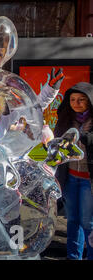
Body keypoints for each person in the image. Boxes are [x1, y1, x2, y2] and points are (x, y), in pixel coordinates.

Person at [54, 82, 93, 260]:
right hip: (70, 178)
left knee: (88, 223)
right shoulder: (65, 120)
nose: (76, 103)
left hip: (88, 182)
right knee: (73, 221)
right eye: (72, 100)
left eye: (81, 100)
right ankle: (73, 257)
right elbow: (56, 149)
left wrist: (86, 138)